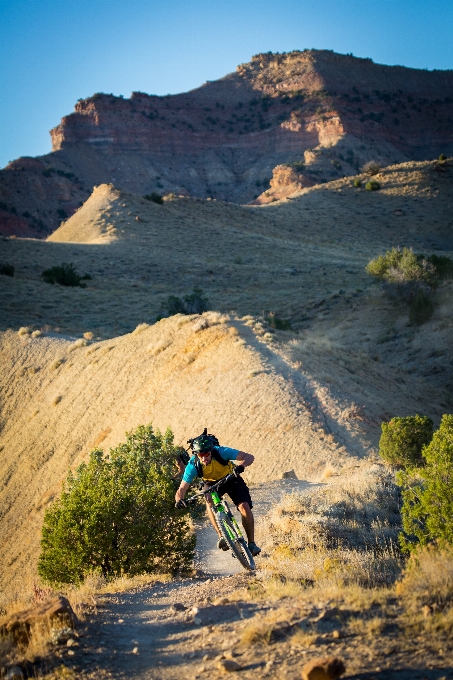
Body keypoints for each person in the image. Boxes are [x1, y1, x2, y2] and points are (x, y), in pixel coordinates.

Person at [174, 431, 261, 557]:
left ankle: (251, 544)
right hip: (210, 484)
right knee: (208, 500)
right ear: (196, 455)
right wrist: (179, 500)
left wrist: (241, 466)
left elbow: (249, 457)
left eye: (206, 454)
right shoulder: (193, 465)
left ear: (211, 451)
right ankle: (222, 536)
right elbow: (181, 490)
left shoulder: (221, 452)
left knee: (244, 506)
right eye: (200, 455)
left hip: (231, 478)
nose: (204, 458)